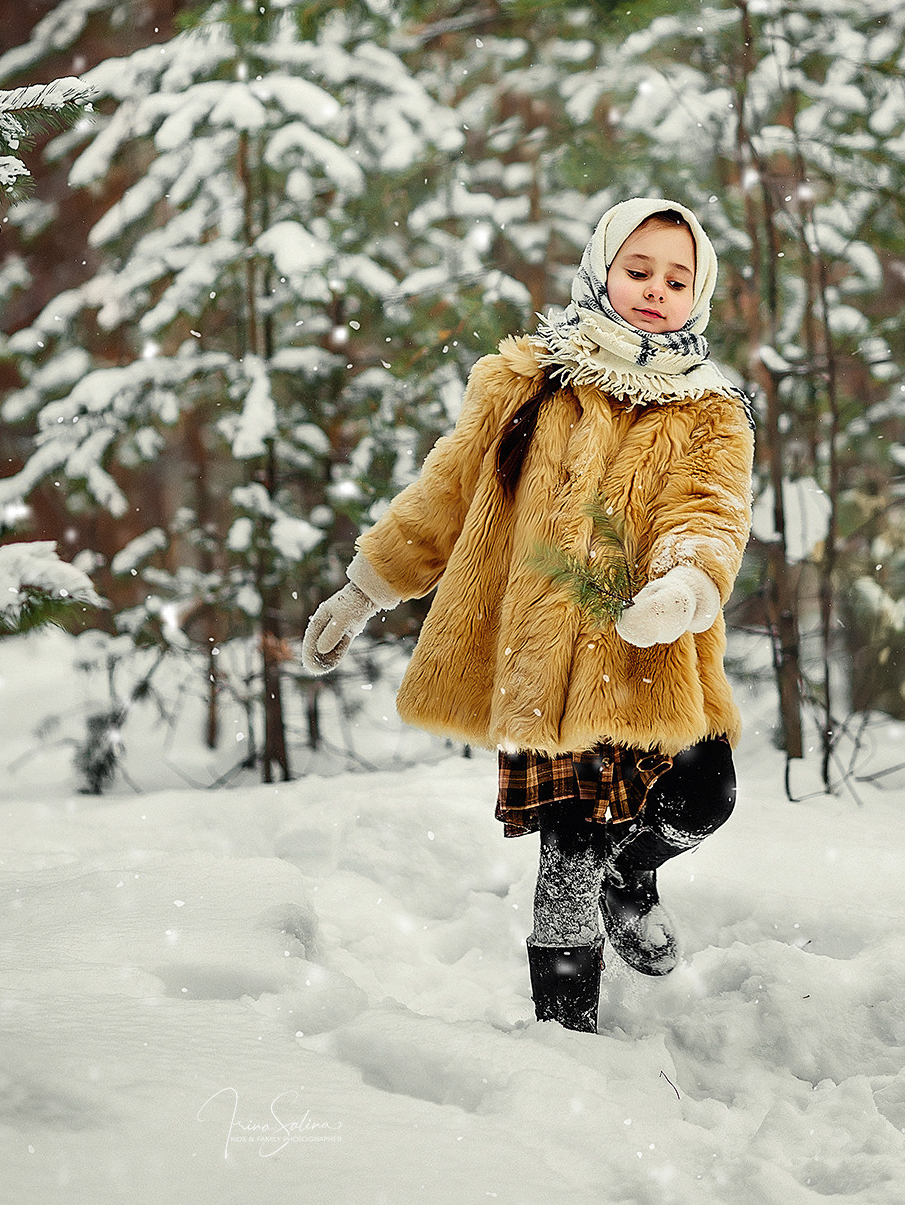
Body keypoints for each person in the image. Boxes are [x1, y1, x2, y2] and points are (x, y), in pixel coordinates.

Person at [301, 197, 753, 1033]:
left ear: (701, 295)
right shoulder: (523, 384)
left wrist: (685, 585)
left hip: (653, 651)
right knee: (567, 853)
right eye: (638, 270)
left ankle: (634, 869)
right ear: (600, 271)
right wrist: (367, 586)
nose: (656, 290)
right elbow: (445, 495)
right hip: (544, 660)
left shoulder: (710, 409)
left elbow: (710, 511)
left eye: (677, 279)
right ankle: (566, 1037)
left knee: (705, 795)